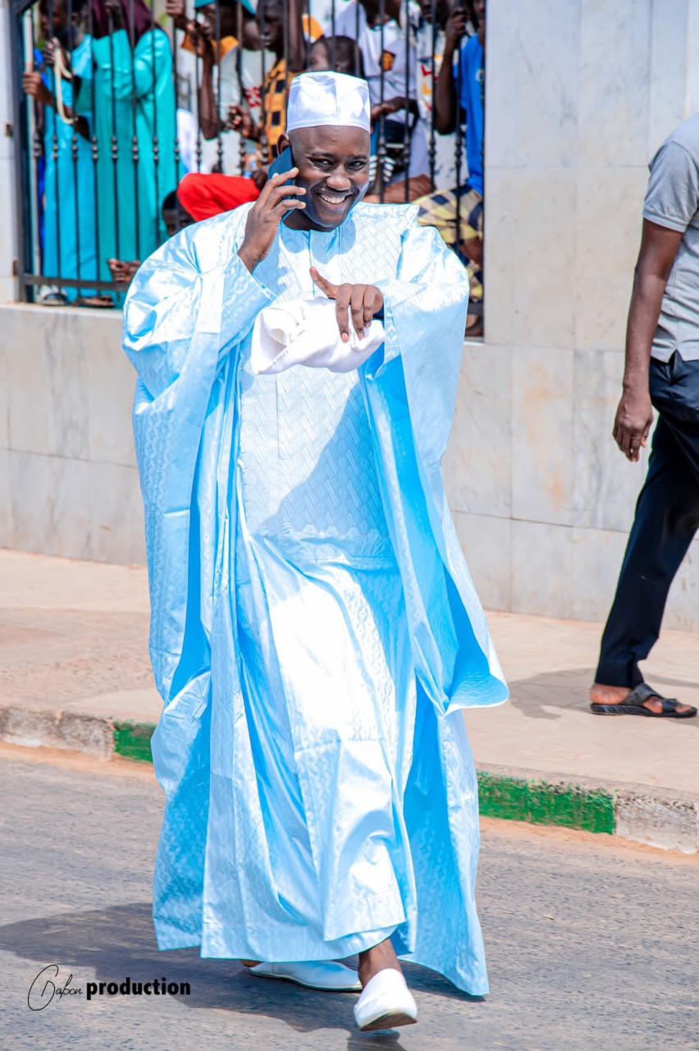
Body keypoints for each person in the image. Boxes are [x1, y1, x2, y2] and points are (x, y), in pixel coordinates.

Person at [123, 70, 507, 1032]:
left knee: (356, 744)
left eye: (352, 163)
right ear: (283, 157)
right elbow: (156, 343)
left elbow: (439, 302)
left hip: (374, 554)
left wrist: (387, 308)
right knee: (331, 741)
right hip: (267, 548)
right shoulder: (216, 244)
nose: (338, 181)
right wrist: (248, 267)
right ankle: (377, 955)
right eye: (318, 161)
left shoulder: (397, 244)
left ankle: (297, 936)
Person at [589, 117, 699, 722]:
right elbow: (650, 272)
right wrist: (636, 387)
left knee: (667, 520)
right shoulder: (687, 150)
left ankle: (616, 676)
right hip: (685, 362)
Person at [22, 0, 105, 305]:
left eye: (51, 15)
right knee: (58, 219)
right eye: (42, 15)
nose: (45, 23)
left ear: (74, 16)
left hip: (87, 161)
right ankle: (58, 286)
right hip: (60, 159)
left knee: (84, 225)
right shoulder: (47, 59)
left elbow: (90, 125)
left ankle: (88, 290)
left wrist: (47, 97)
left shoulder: (92, 55)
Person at [91, 0, 178, 280]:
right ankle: (116, 289)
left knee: (148, 220)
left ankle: (150, 287)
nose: (109, 13)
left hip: (148, 154)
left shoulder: (154, 42)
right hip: (116, 157)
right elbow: (89, 99)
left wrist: (112, 38)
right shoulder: (106, 50)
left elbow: (127, 85)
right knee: (119, 224)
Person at [419, 0, 485, 335]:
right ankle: (476, 300)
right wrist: (449, 48)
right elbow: (444, 121)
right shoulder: (472, 49)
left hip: (509, 190)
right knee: (417, 221)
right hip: (478, 188)